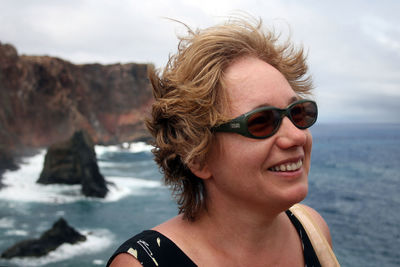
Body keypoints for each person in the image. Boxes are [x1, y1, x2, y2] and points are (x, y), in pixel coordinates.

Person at [108, 16, 339, 267]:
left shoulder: (313, 230)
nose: (296, 136)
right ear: (198, 156)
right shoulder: (144, 264)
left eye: (298, 113)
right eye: (260, 121)